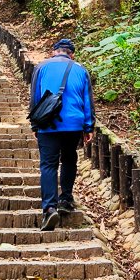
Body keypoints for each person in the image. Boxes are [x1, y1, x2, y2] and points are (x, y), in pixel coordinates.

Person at [29, 38, 95, 231]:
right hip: (73, 124)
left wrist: (35, 124)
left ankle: (50, 208)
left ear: (54, 51)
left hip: (48, 123)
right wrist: (89, 127)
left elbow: (35, 97)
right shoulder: (81, 70)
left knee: (48, 164)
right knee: (69, 159)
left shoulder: (41, 67)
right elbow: (88, 100)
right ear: (71, 54)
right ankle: (65, 199)